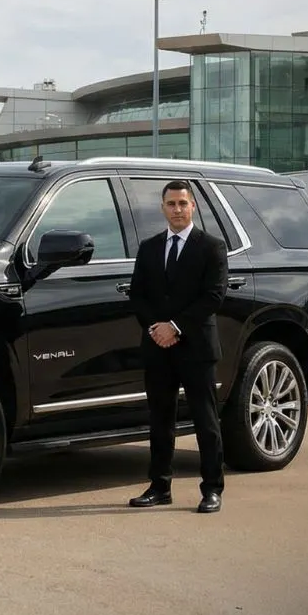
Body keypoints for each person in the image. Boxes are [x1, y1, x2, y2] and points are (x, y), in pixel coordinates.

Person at [125, 179, 229, 513]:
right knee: (160, 420)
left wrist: (176, 327)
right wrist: (156, 329)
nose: (177, 210)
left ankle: (212, 489)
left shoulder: (211, 247)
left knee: (205, 420)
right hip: (158, 347)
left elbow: (213, 296)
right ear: (163, 207)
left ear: (193, 206)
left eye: (183, 203)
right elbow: (137, 294)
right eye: (171, 204)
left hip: (196, 348)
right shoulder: (150, 247)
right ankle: (159, 486)